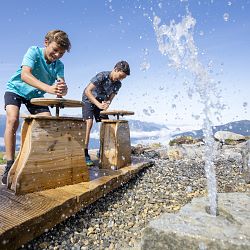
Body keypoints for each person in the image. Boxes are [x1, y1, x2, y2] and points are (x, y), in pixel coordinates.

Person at [1, 30, 71, 185]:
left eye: (61, 53)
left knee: (48, 124)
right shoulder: (33, 51)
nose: (57, 55)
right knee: (12, 120)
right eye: (55, 50)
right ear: (46, 43)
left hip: (35, 96)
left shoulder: (59, 65)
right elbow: (25, 75)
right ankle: (9, 164)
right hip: (16, 89)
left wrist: (62, 89)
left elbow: (60, 86)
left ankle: (36, 161)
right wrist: (48, 88)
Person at [82, 61, 130, 166]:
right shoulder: (102, 76)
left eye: (123, 78)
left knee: (107, 124)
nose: (121, 79)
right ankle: (84, 153)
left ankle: (103, 150)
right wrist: (98, 105)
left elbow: (110, 98)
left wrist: (106, 103)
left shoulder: (118, 84)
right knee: (88, 123)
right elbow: (87, 91)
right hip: (88, 99)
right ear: (116, 69)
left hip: (100, 102)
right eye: (121, 76)